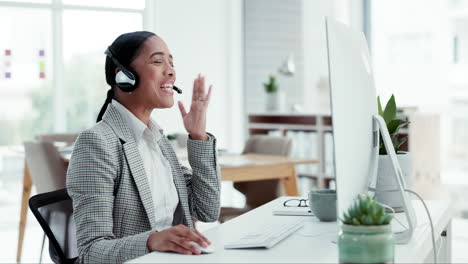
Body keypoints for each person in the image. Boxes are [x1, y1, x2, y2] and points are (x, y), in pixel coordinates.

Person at [66, 31, 221, 263]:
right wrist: (152, 241)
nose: (170, 71)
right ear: (124, 77)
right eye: (158, 62)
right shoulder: (96, 143)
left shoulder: (157, 141)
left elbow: (207, 210)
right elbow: (91, 252)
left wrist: (198, 136)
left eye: (171, 63)